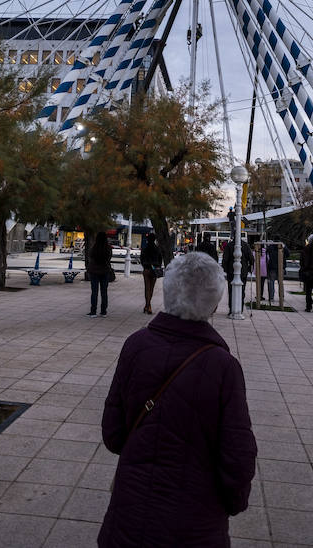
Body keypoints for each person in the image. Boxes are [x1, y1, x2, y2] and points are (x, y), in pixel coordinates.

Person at [99, 252, 257, 548]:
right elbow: (238, 455)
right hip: (195, 524)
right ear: (215, 301)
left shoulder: (135, 346)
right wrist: (232, 502)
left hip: (128, 516)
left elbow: (113, 434)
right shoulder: (223, 367)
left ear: (167, 291)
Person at [222, 238, 252, 315]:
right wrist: (249, 268)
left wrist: (225, 269)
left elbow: (225, 259)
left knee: (231, 291)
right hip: (243, 272)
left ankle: (232, 309)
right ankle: (240, 308)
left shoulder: (229, 245)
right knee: (242, 291)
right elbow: (251, 258)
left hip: (231, 271)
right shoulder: (245, 245)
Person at [87, 231, 113, 318]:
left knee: (94, 292)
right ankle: (103, 312)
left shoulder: (94, 247)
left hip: (94, 272)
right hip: (105, 271)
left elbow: (90, 256)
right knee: (104, 292)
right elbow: (109, 258)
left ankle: (93, 311)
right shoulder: (108, 248)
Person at [140, 232, 162, 315]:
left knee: (147, 288)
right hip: (154, 270)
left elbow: (141, 259)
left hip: (147, 270)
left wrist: (145, 266)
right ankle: (148, 306)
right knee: (151, 289)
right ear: (154, 239)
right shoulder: (157, 249)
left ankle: (147, 306)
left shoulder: (145, 248)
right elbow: (160, 260)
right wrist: (157, 266)